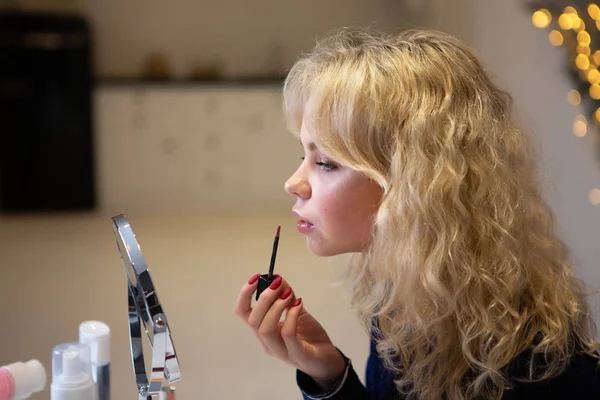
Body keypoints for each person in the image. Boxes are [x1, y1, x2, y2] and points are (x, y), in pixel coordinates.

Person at [233, 27, 600, 400]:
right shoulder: (407, 294)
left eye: (325, 163)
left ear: (413, 187)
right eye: (304, 156)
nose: (293, 183)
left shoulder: (531, 366)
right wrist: (328, 374)